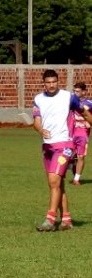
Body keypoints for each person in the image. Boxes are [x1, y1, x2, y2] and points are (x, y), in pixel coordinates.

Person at [33, 70, 92, 231]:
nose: (51, 85)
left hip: (64, 145)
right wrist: (40, 130)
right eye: (48, 82)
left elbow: (84, 112)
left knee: (54, 182)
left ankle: (50, 220)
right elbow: (37, 121)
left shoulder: (68, 97)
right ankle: (66, 220)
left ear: (58, 81)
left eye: (54, 81)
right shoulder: (38, 99)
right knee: (56, 184)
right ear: (43, 83)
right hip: (47, 146)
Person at [70, 82, 92, 185]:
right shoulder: (71, 103)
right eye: (74, 91)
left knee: (81, 156)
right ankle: (70, 166)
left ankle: (76, 179)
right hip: (70, 133)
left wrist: (89, 122)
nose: (75, 93)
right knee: (69, 156)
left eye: (78, 91)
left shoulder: (89, 104)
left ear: (84, 92)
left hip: (83, 134)